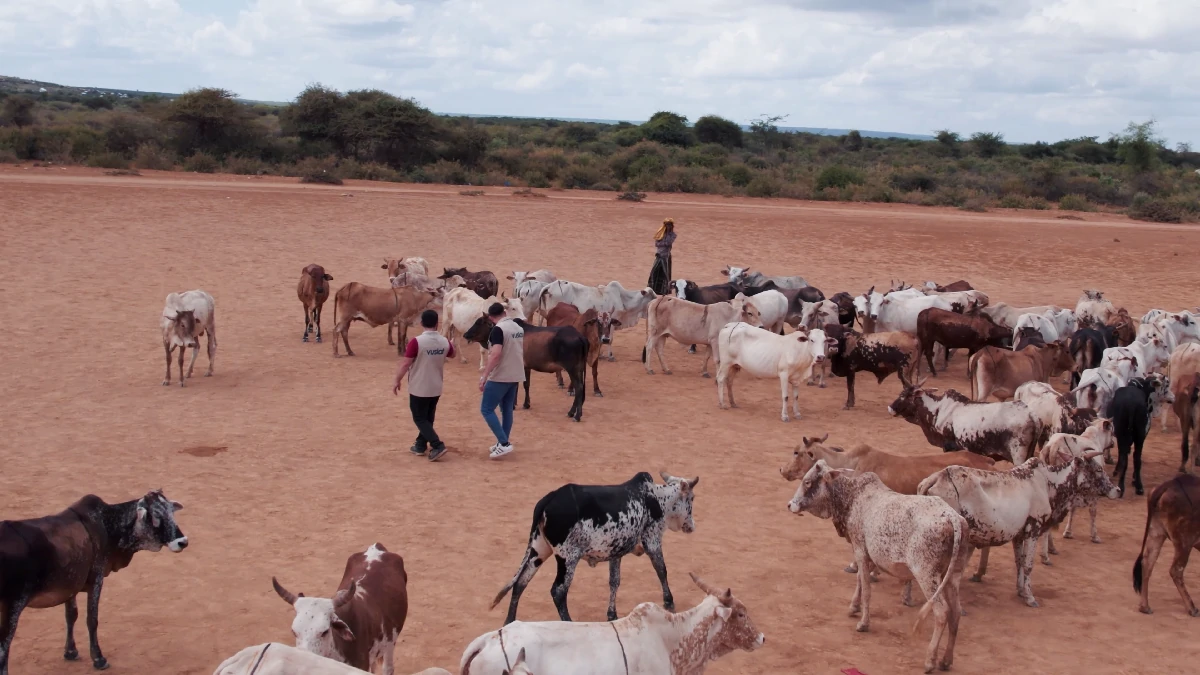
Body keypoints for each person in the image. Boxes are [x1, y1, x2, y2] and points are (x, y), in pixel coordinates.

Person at [392, 309, 455, 461]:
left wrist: (397, 379)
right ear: (437, 323)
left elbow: (406, 363)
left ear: (421, 323)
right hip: (436, 385)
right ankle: (420, 444)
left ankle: (437, 444)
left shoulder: (417, 342)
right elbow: (452, 354)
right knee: (428, 416)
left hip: (419, 385)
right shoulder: (444, 341)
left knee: (419, 418)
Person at [479, 302, 525, 459]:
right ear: (505, 312)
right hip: (516, 373)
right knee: (506, 410)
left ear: (491, 318)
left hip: (501, 375)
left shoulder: (498, 330)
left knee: (486, 409)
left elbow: (496, 354)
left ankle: (504, 444)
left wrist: (485, 374)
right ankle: (502, 441)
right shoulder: (518, 327)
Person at [647, 217, 675, 296]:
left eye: (670, 225)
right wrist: (663, 243)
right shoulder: (660, 233)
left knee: (665, 274)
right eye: (667, 225)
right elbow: (657, 244)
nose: (668, 227)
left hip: (665, 257)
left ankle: (664, 290)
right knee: (654, 273)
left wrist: (662, 242)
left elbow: (668, 243)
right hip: (659, 256)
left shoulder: (672, 235)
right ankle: (653, 288)